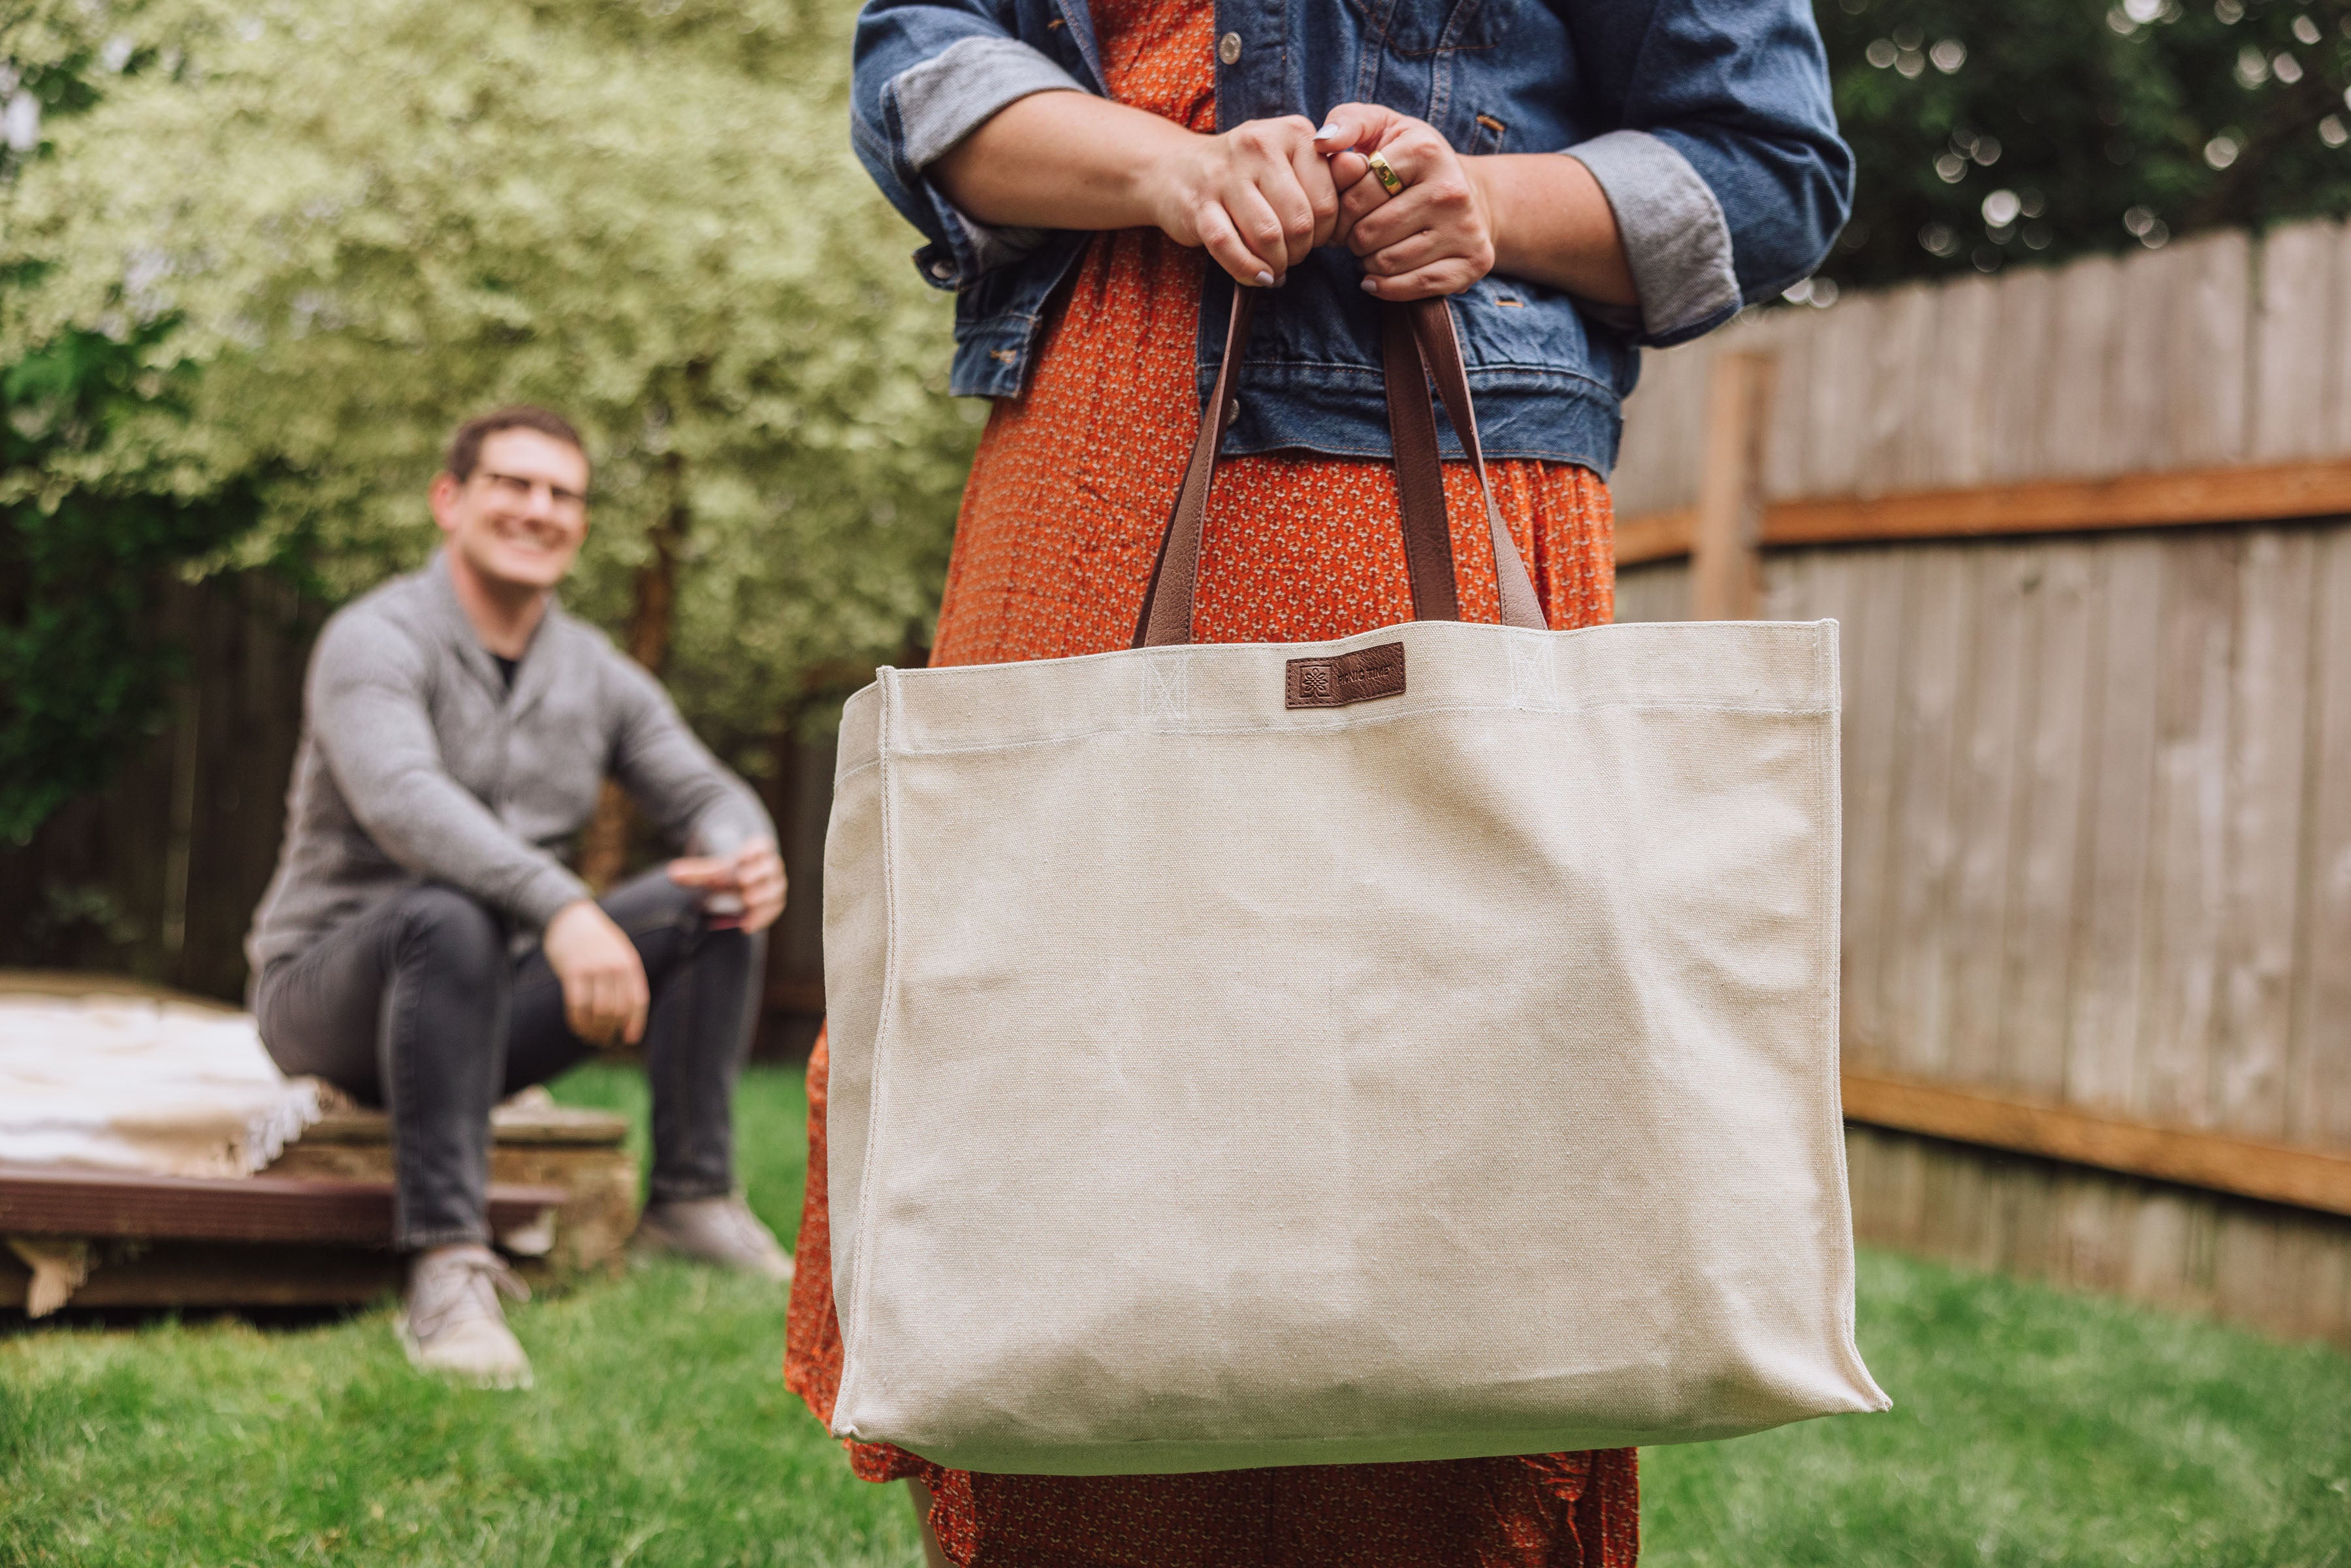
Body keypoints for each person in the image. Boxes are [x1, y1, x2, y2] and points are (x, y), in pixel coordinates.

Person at [792, 1, 1849, 1562]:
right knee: (1058, 1091)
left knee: (1467, 1094)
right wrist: (1166, 167)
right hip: (1097, 451)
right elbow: (924, 67)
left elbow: (1766, 163)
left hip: (1425, 429)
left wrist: (1491, 201)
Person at [247, 406, 795, 1392]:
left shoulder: (596, 672)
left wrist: (742, 845)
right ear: (450, 499)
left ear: (580, 526)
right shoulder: (371, 639)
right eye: (514, 483)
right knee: (446, 909)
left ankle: (692, 1200)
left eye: (563, 494)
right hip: (329, 996)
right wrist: (563, 906)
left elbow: (707, 791)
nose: (539, 509)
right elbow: (404, 801)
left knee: (712, 896)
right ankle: (448, 1264)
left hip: (485, 1006)